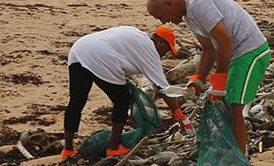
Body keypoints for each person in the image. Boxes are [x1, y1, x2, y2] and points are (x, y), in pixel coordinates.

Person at [146, 0, 270, 154]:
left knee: (235, 105)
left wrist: (219, 82)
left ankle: (240, 159)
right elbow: (208, 49)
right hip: (236, 56)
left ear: (169, 3)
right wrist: (198, 79)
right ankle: (230, 151)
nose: (164, 22)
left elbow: (224, 40)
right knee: (225, 105)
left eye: (162, 16)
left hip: (250, 51)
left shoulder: (198, 3)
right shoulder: (189, 16)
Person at [62, 25, 191, 158]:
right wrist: (180, 116)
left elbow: (120, 49)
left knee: (77, 101)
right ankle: (113, 148)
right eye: (167, 48)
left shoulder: (136, 33)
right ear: (159, 42)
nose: (166, 53)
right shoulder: (150, 49)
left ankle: (68, 149)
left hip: (79, 49)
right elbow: (163, 88)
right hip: (101, 56)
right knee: (122, 100)